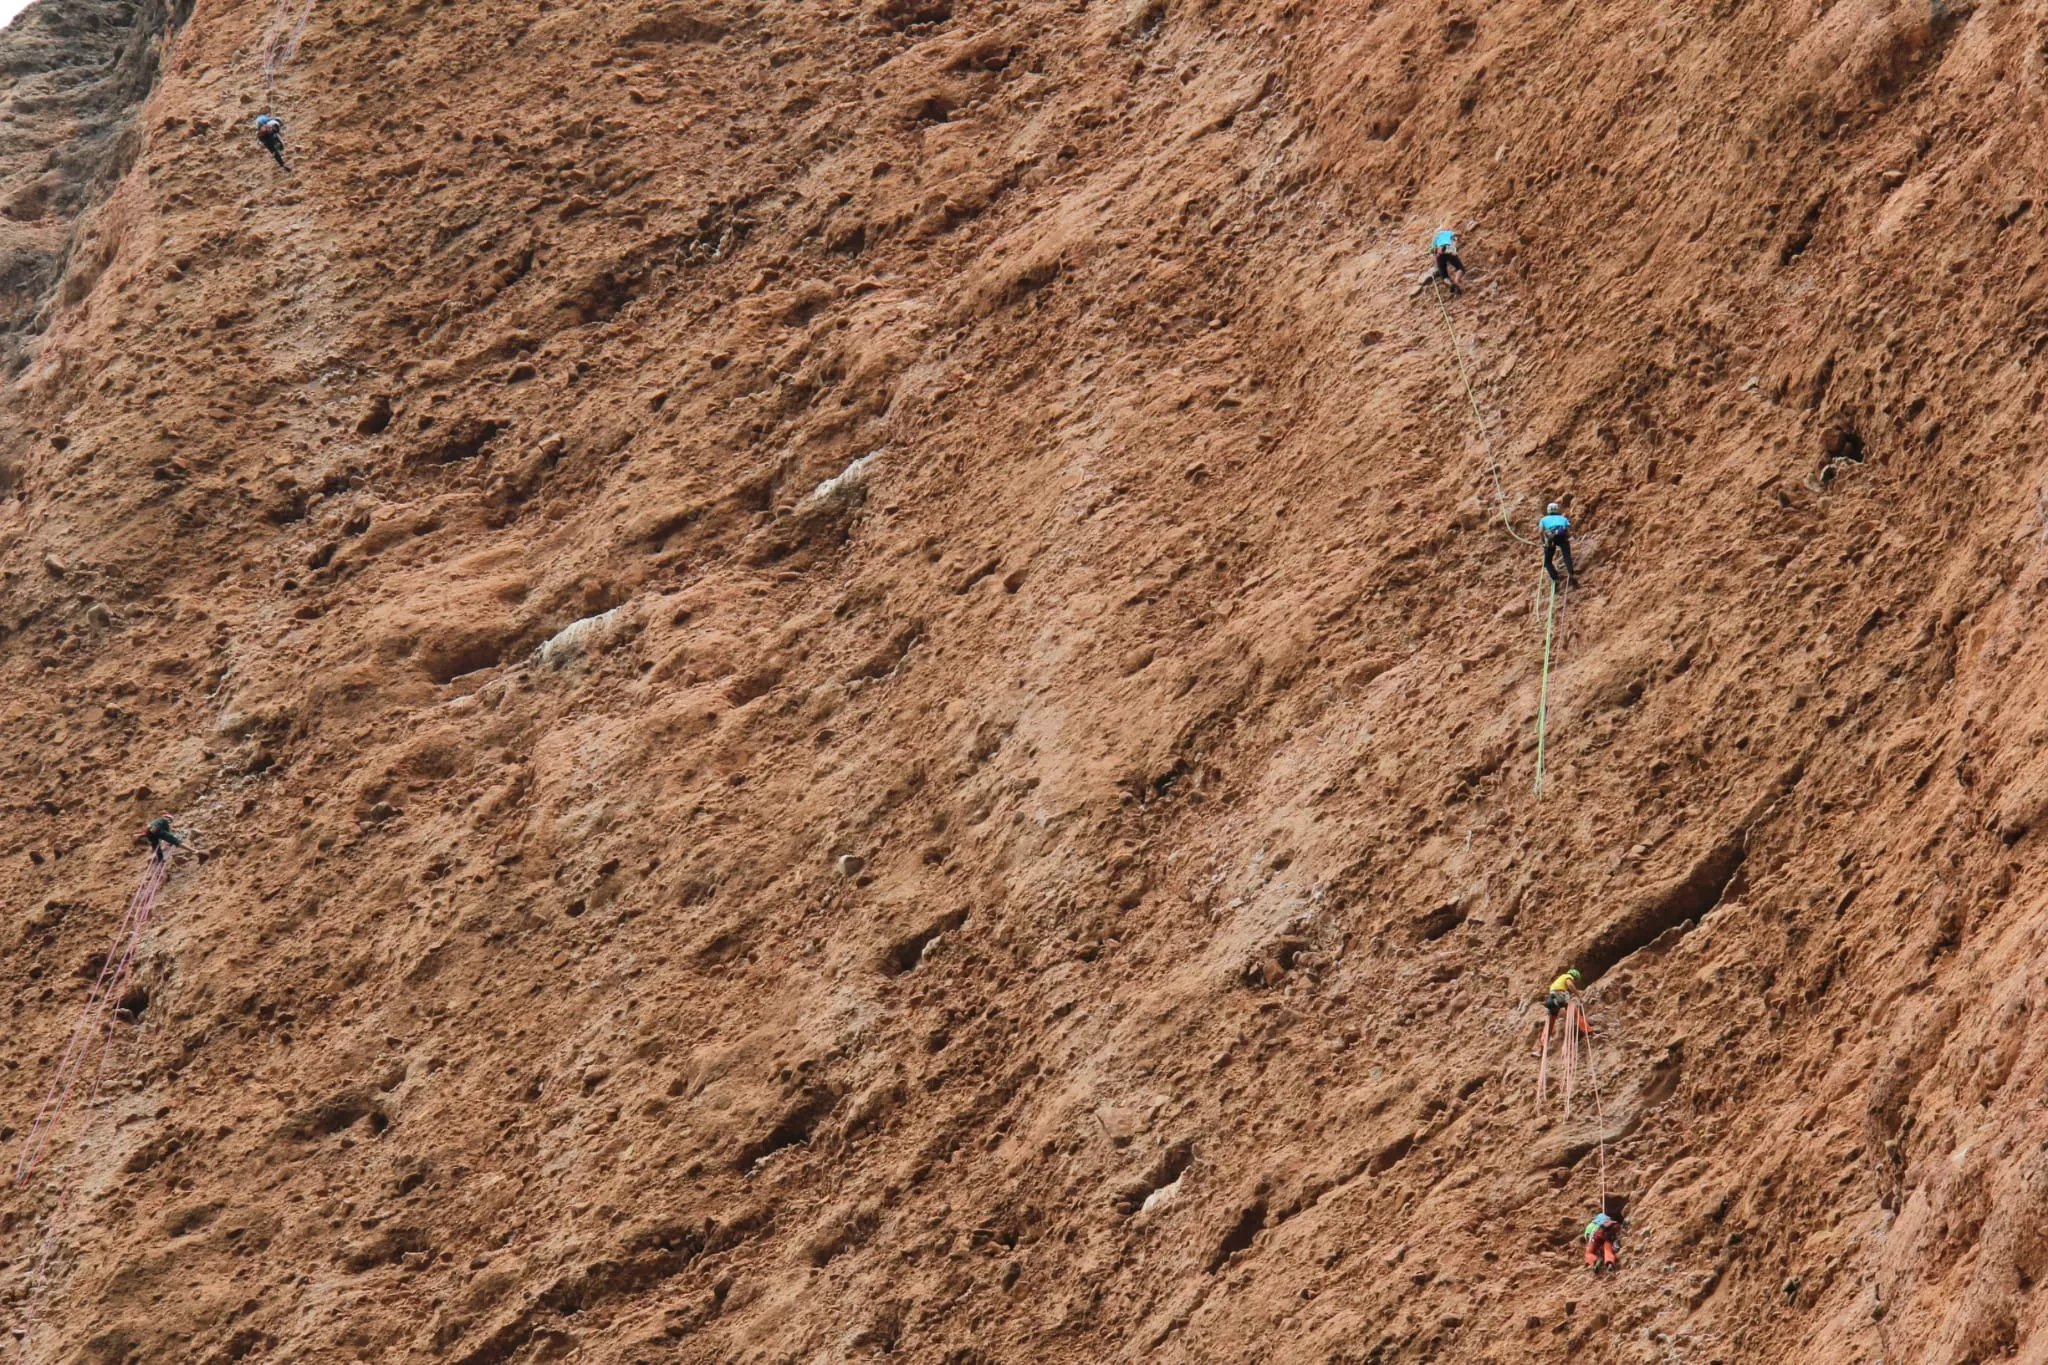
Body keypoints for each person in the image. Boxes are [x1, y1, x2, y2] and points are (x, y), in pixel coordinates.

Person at [1539, 502, 1577, 587]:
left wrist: (1543, 542)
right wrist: (1572, 536)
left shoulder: (1543, 519)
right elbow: (1569, 530)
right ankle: (1571, 574)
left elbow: (1541, 531)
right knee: (1566, 556)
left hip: (1551, 539)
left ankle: (1555, 579)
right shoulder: (1563, 518)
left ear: (1548, 510)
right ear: (1557, 509)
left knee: (1547, 562)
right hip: (1562, 537)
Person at [1430, 228, 1465, 296]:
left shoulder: (1434, 238)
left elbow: (1432, 251)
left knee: (1444, 276)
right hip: (1448, 248)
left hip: (1439, 253)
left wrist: (1436, 260)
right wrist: (1460, 239)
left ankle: (1451, 284)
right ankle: (1456, 282)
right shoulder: (1447, 232)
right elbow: (1457, 234)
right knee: (1460, 268)